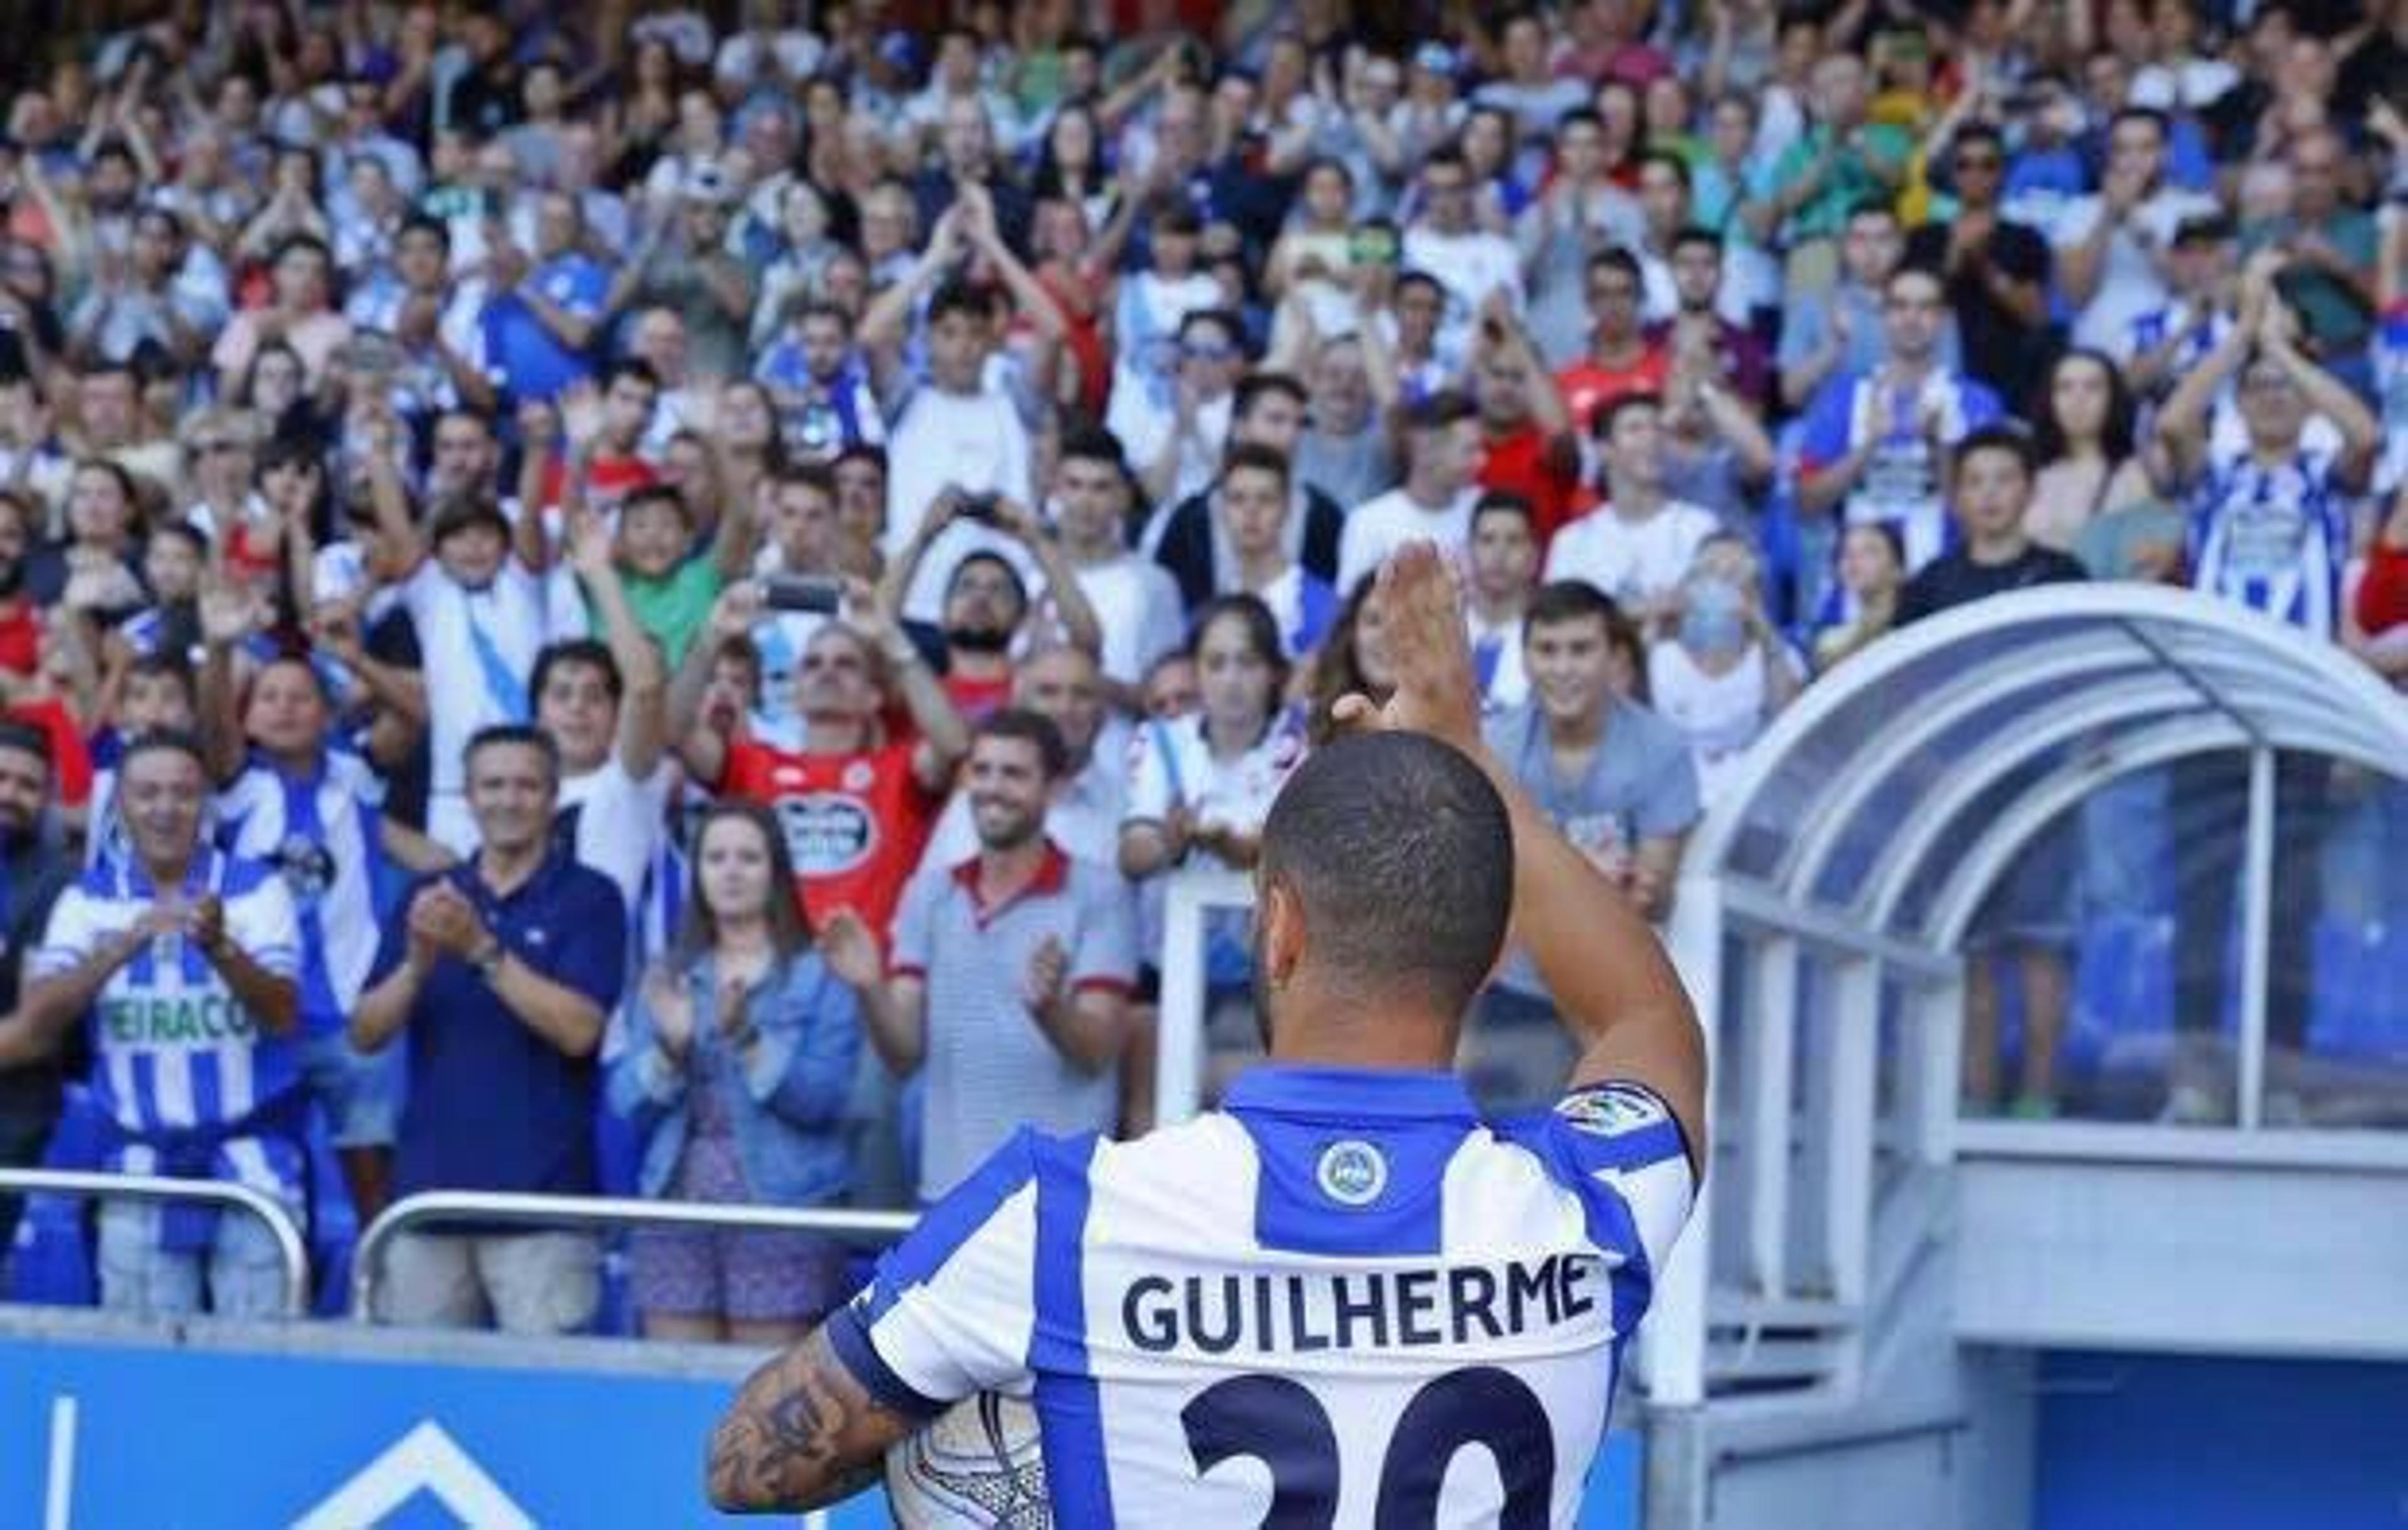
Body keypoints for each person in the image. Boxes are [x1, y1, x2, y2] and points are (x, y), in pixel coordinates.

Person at [705, 544, 1706, 1523]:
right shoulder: (1585, 1212)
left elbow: (748, 1468)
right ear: (1494, 957)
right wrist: (1469, 758)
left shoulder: (1065, 1218)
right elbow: (1648, 1018)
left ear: (1277, 931)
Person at [11, 732, 300, 1317]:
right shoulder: (87, 899)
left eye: (183, 794)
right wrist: (121, 947)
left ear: (206, 805)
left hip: (251, 1169)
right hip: (138, 1171)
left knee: (263, 1365)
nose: (165, 809)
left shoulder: (257, 889)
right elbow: (39, 1021)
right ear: (119, 803)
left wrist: (220, 947)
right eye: (147, 794)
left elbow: (282, 1012)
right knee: (142, 1374)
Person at [351, 725, 627, 1334]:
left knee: (548, 1408)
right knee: (420, 1403)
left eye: (526, 785)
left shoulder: (590, 898)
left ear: (554, 797)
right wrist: (418, 964)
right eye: (492, 784)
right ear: (469, 798)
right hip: (430, 1202)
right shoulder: (429, 894)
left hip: (543, 1207)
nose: (508, 799)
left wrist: (478, 948)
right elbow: (366, 1032)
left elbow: (580, 1031)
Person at [827, 710, 1136, 1207]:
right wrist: (869, 988)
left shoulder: (1100, 894)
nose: (993, 787)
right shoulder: (928, 893)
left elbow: (1099, 1050)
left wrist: (1048, 1009)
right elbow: (904, 1053)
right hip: (950, 1196)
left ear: (1054, 789)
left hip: (1059, 1200)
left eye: (1014, 774)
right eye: (982, 770)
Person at [610, 800, 865, 1344]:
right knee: (673, 1391)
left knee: (761, 1405)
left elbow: (824, 1101)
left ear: (775, 872)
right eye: (716, 857)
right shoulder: (670, 974)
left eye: (748, 857)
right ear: (697, 873)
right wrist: (671, 1051)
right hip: (676, 1207)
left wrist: (750, 1041)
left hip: (783, 1210)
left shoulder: (817, 975)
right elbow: (627, 1104)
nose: (730, 870)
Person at [1894, 430, 2086, 1117]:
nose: (1990, 494)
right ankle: (1971, 1100)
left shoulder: (2065, 577)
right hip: (1954, 793)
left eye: (2005, 478)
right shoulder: (1929, 587)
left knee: (2042, 943)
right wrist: (1929, 773)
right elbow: (1898, 692)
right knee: (1967, 946)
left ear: (2030, 489)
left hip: (2044, 788)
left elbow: (2088, 683)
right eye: (1975, 481)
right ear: (1955, 496)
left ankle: (2040, 1098)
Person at [0, 724, 76, 1256]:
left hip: (13, 1110)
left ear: (48, 798)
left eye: (28, 785)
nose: (10, 794)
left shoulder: (58, 882)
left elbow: (35, 1033)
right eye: (0, 778)